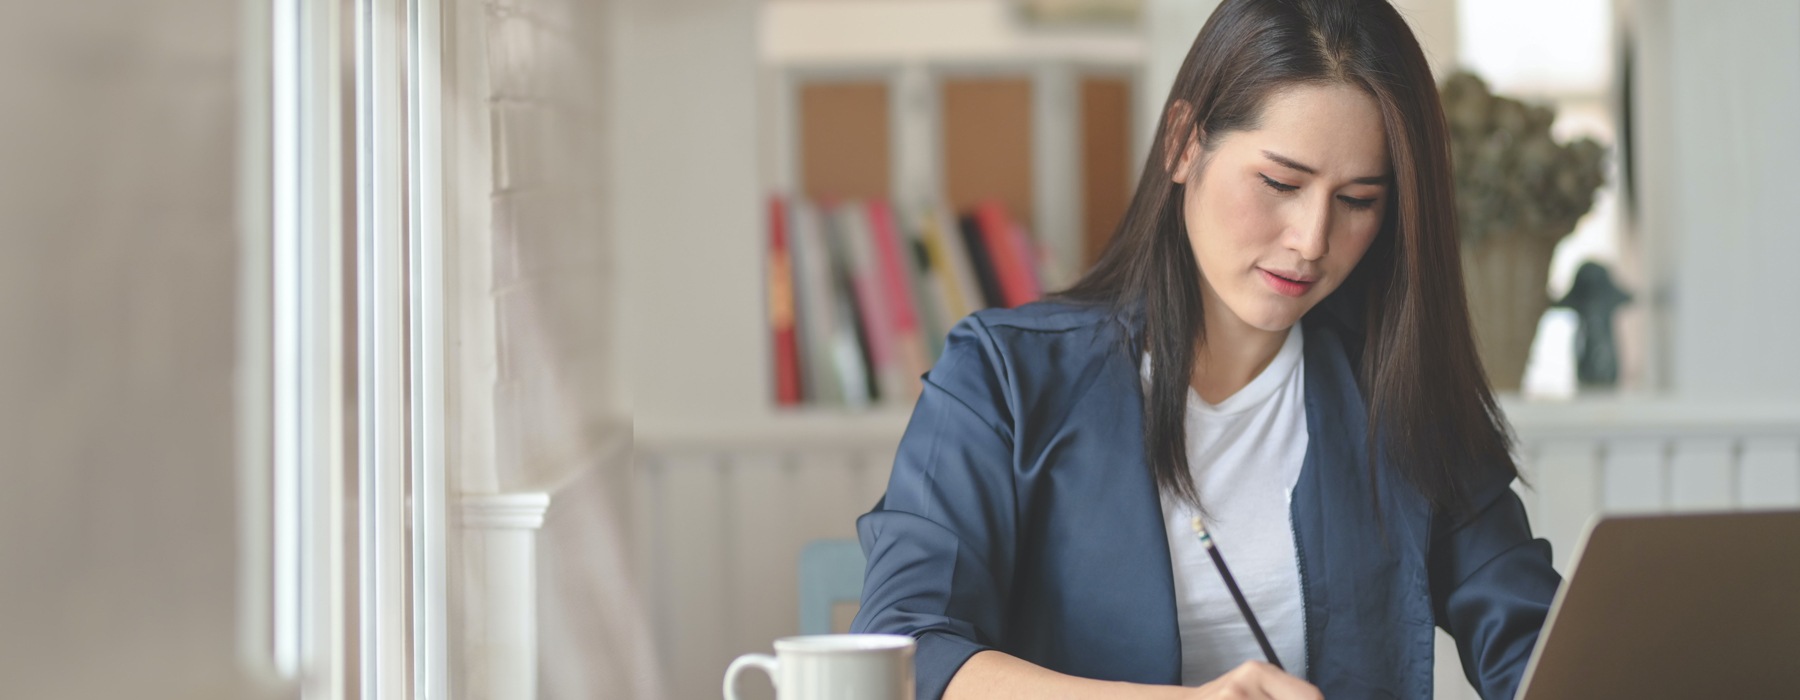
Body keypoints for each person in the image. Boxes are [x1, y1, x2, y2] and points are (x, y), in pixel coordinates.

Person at [848, 1, 1562, 698]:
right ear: (1184, 143)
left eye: (1357, 201)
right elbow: (909, 648)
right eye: (1281, 183)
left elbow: (1537, 649)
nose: (1311, 239)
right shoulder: (1001, 380)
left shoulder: (1400, 395)